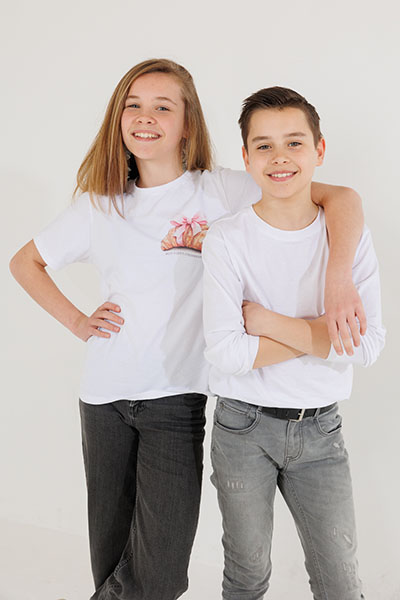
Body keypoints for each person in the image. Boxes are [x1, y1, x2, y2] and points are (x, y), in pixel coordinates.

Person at [10, 59, 366, 600]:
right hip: (104, 400)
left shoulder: (222, 191)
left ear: (187, 123)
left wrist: (339, 280)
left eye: (162, 107)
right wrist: (79, 322)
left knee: (159, 575)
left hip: (177, 400)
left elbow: (342, 199)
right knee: (111, 561)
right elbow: (25, 263)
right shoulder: (98, 206)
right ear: (118, 118)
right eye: (133, 105)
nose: (145, 117)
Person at [202, 86, 385, 600]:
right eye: (263, 145)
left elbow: (369, 345)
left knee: (340, 582)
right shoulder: (226, 239)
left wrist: (266, 321)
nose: (279, 157)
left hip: (321, 430)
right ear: (245, 158)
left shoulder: (348, 236)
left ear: (319, 150)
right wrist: (323, 331)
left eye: (294, 143)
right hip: (242, 427)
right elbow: (226, 354)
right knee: (246, 576)